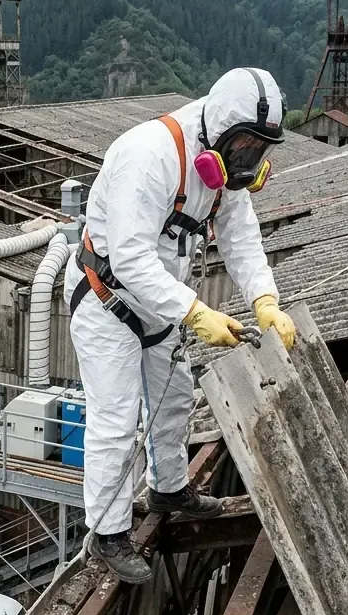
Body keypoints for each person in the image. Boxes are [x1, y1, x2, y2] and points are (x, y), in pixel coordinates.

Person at [63, 67, 297, 584]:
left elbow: (240, 237)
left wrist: (265, 299)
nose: (248, 160)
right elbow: (127, 257)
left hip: (161, 305)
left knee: (174, 400)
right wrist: (195, 312)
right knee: (116, 421)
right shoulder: (149, 156)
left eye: (258, 150)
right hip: (108, 300)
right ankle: (107, 532)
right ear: (217, 129)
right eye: (243, 147)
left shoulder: (225, 170)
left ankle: (168, 488)